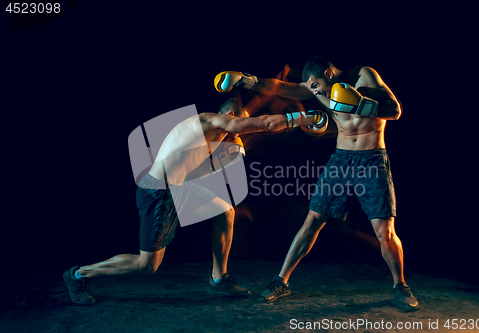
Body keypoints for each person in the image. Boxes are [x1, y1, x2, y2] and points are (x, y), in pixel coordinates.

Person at [63, 98, 327, 305]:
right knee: (148, 266)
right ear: (231, 116)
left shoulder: (207, 136)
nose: (239, 132)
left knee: (226, 211)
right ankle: (78, 274)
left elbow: (192, 171)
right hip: (158, 192)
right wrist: (301, 118)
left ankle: (218, 279)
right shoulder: (210, 120)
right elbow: (266, 124)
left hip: (177, 187)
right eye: (240, 125)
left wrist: (221, 160)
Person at [214, 56, 419, 311]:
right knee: (312, 221)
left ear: (328, 74)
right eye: (311, 87)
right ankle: (281, 281)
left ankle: (400, 286)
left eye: (317, 85)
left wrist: (363, 105)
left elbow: (395, 110)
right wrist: (246, 80)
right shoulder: (314, 88)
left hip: (372, 160)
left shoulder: (364, 76)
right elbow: (278, 87)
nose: (316, 92)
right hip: (341, 160)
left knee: (383, 231)